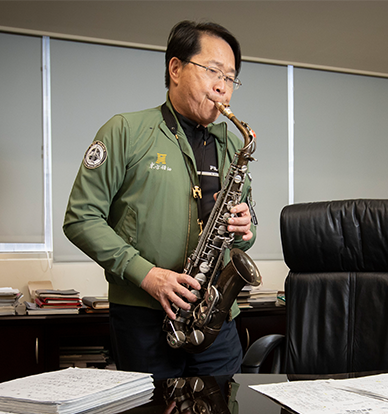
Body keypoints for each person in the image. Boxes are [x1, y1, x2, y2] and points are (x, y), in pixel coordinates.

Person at [63, 20, 256, 380]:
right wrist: (148, 275)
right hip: (143, 319)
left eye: (230, 78)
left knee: (223, 411)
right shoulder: (125, 131)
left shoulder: (234, 145)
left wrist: (245, 229)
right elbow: (81, 219)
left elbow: (246, 232)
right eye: (213, 71)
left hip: (216, 321)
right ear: (176, 69)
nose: (222, 86)